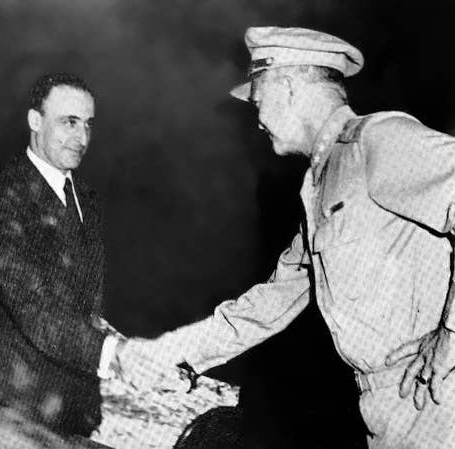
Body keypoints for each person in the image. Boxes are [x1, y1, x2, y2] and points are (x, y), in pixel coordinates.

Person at [115, 27, 455, 448]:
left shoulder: (377, 142)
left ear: (289, 86)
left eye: (258, 100)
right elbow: (266, 306)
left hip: (440, 401)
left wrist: (451, 337)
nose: (256, 118)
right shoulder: (321, 187)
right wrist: (167, 354)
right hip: (390, 406)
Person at [0, 73, 116, 437]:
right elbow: (36, 310)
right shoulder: (0, 201)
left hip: (70, 405)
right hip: (11, 401)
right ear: (35, 121)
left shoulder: (87, 200)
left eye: (88, 125)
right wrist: (116, 355)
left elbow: (85, 301)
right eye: (69, 122)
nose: (81, 138)